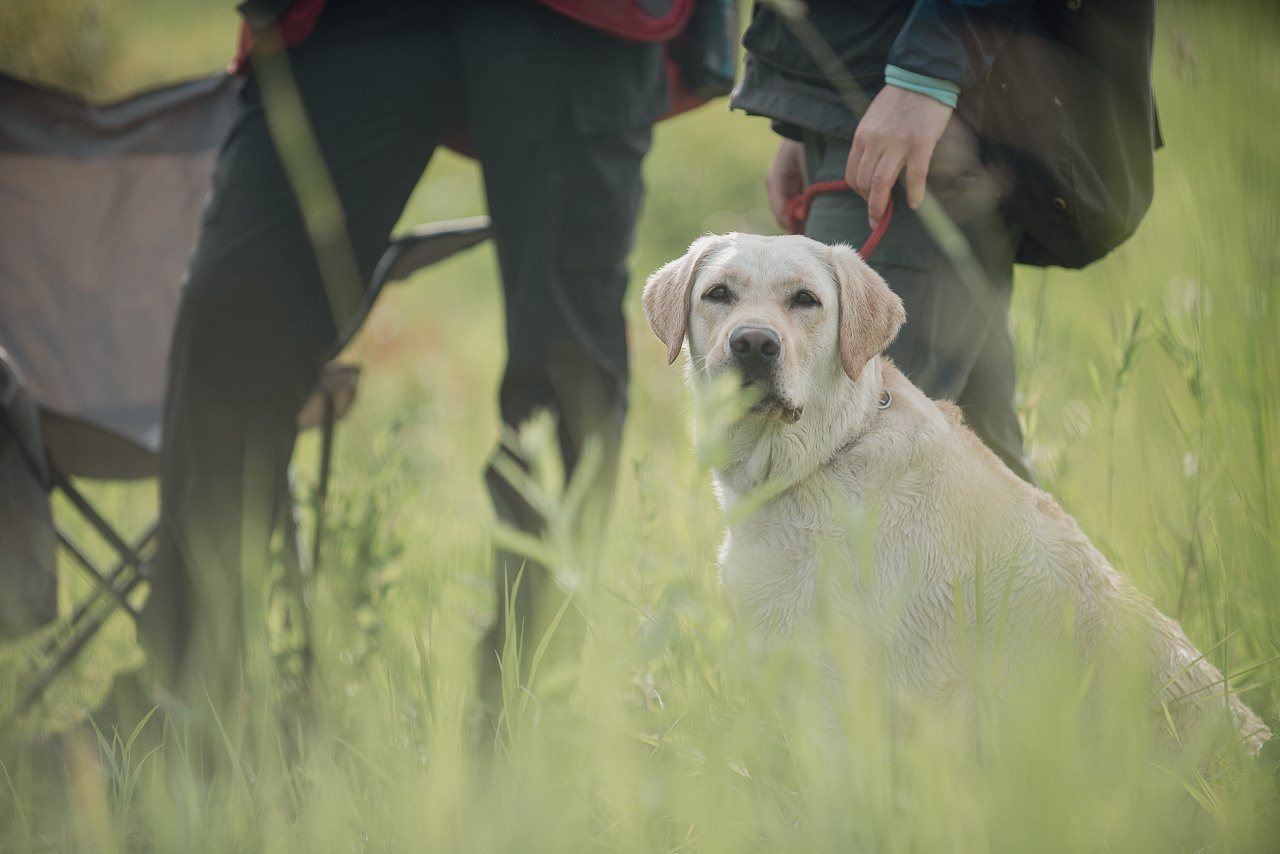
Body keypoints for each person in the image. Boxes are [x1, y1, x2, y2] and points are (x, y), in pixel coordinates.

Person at [136, 0, 670, 717]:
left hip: (576, 17)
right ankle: (187, 692)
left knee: (562, 358)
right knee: (236, 307)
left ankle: (524, 709)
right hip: (349, 14)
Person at [731, 0, 1047, 484]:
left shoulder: (923, 78)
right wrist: (808, 116)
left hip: (916, 107)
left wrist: (927, 74)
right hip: (875, 103)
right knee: (988, 472)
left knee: (837, 477)